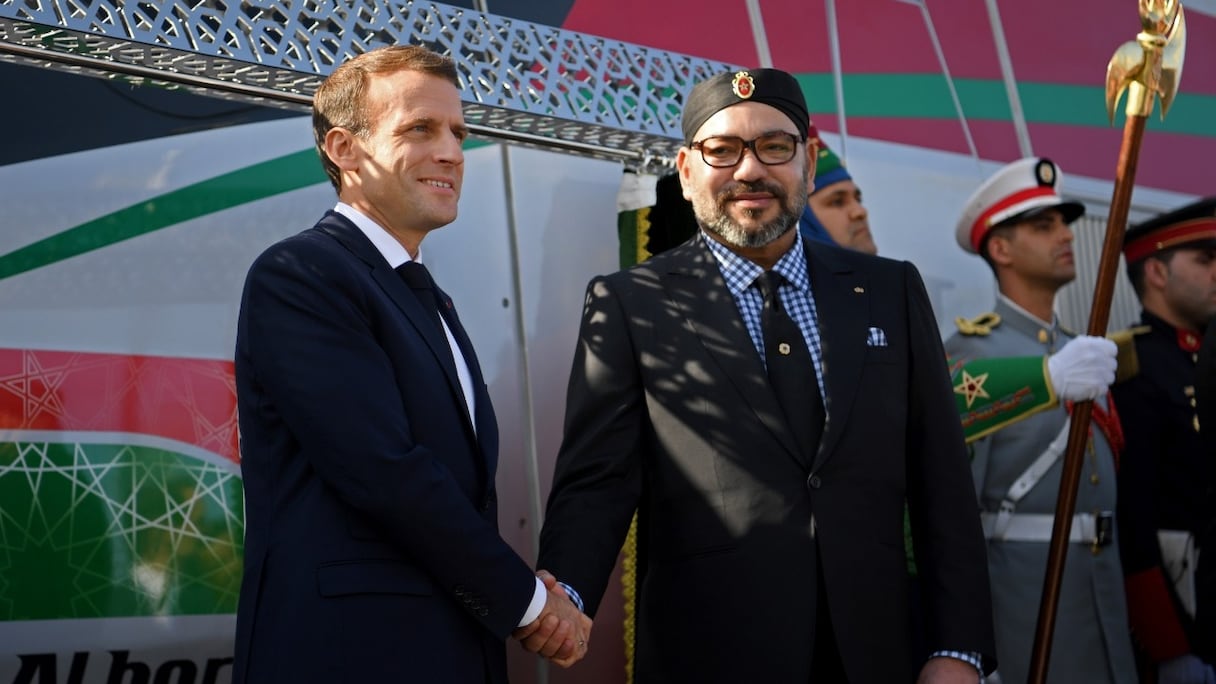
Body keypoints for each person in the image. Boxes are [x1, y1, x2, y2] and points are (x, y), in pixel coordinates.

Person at [538, 67, 996, 683]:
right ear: (686, 169)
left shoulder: (888, 290)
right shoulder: (632, 303)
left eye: (774, 147)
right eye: (722, 150)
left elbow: (942, 477)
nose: (749, 171)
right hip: (710, 654)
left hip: (878, 650)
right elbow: (598, 479)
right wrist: (563, 593)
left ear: (807, 160)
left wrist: (958, 648)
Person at [231, 45, 588, 683]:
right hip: (349, 657)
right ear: (344, 149)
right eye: (419, 128)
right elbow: (383, 471)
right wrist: (534, 604)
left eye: (457, 132)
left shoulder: (424, 296)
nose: (451, 152)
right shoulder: (301, 274)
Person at [944, 157, 1137, 684]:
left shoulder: (1084, 349)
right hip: (1022, 598)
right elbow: (952, 514)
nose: (1064, 235)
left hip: (1102, 586)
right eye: (1042, 225)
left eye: (1063, 223)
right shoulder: (970, 355)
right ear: (1000, 249)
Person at [1113, 197, 1216, 684]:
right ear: (1156, 272)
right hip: (1190, 620)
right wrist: (1168, 644)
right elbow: (1132, 521)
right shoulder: (1134, 367)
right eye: (1205, 259)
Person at [797, 132, 877, 254]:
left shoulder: (897, 272)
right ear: (803, 220)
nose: (860, 211)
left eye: (858, 199)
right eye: (837, 202)